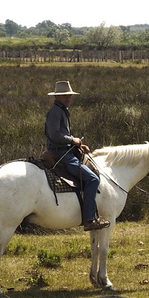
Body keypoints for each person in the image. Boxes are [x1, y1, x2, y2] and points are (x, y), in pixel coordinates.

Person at [43, 80, 108, 230]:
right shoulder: (55, 112)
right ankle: (89, 220)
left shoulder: (62, 110)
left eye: (69, 96)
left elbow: (62, 134)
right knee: (92, 179)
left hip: (65, 150)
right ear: (57, 97)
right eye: (65, 96)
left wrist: (77, 144)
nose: (69, 98)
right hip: (61, 154)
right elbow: (54, 135)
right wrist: (73, 140)